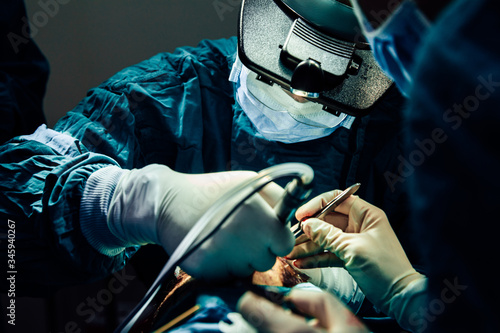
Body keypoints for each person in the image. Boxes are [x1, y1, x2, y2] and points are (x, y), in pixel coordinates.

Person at [1, 0, 411, 330]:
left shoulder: (425, 135)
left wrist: (406, 296)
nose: (303, 92)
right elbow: (11, 235)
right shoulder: (161, 100)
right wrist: (134, 203)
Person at [238, 0, 500, 332]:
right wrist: (409, 295)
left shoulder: (464, 95)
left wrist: (400, 293)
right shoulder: (180, 90)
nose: (302, 98)